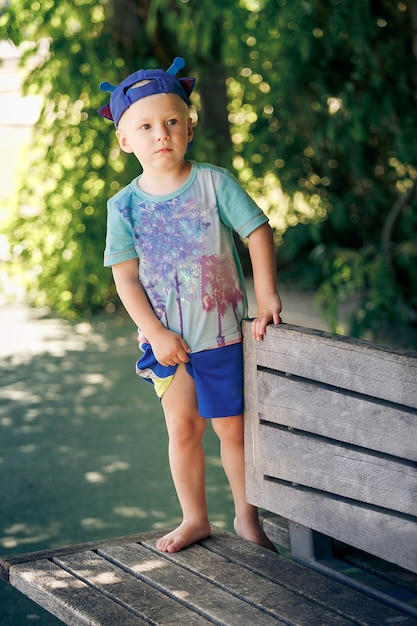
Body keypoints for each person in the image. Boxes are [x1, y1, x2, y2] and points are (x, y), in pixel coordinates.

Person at [98, 57, 282, 553]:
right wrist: (155, 333)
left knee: (232, 433)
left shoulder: (213, 183)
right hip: (166, 345)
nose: (162, 134)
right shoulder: (123, 207)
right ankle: (195, 518)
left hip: (220, 336)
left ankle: (247, 519)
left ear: (189, 127)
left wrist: (266, 297)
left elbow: (258, 230)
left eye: (172, 122)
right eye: (146, 126)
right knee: (182, 430)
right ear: (125, 140)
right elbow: (127, 281)